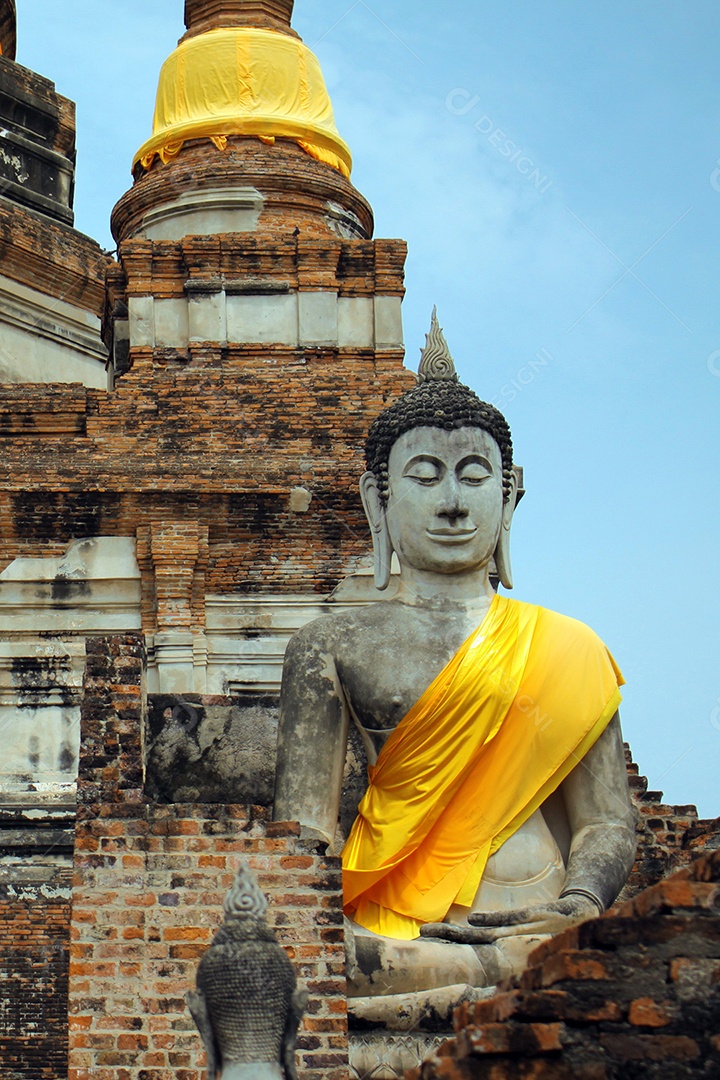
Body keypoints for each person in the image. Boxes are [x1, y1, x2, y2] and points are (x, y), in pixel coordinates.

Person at [274, 311, 636, 1000]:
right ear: (377, 501)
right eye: (425, 476)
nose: (450, 504)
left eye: (473, 477)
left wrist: (581, 904)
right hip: (388, 933)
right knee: (309, 970)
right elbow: (304, 838)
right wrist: (307, 933)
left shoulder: (568, 648)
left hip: (537, 915)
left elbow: (607, 821)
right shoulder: (331, 645)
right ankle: (485, 977)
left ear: (509, 498)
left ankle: (505, 969)